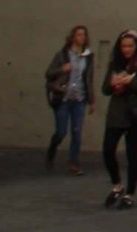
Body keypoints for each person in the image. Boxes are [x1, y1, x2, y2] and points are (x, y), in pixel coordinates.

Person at [100, 29, 137, 209]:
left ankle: (130, 193)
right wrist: (113, 83)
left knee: (132, 154)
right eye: (123, 46)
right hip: (117, 111)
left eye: (130, 46)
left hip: (135, 112)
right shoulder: (116, 63)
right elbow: (105, 89)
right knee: (108, 150)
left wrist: (130, 82)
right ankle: (117, 184)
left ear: (136, 46)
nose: (126, 49)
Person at [43, 24, 96, 174]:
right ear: (73, 37)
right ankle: (52, 148)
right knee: (61, 131)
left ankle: (74, 163)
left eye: (84, 35)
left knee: (77, 130)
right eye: (78, 35)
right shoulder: (63, 55)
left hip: (79, 97)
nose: (81, 37)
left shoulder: (88, 56)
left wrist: (91, 100)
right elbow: (49, 73)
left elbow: (89, 79)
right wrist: (62, 69)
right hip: (63, 97)